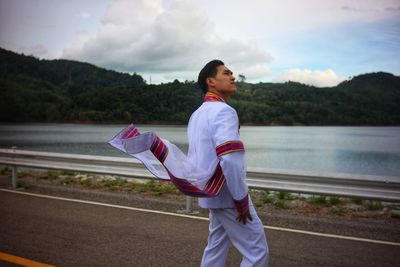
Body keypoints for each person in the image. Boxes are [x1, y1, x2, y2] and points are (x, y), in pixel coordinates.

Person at [188, 59, 269, 267]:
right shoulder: (224, 111)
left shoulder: (196, 114)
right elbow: (230, 159)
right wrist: (241, 199)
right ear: (210, 81)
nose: (233, 77)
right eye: (226, 73)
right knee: (256, 250)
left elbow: (194, 156)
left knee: (215, 247)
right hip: (228, 195)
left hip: (211, 192)